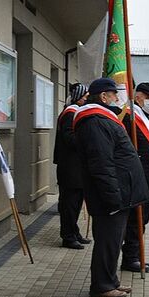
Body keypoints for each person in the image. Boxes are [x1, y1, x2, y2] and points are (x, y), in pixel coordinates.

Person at [73, 77, 149, 297]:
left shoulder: (101, 119)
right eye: (114, 94)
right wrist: (112, 197)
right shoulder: (94, 121)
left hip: (119, 194)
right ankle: (102, 285)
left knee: (114, 240)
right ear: (104, 97)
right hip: (110, 197)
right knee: (107, 241)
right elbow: (101, 164)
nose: (118, 98)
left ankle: (110, 280)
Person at [121, 81, 149, 273]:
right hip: (137, 177)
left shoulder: (147, 117)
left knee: (142, 219)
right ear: (138, 97)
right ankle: (130, 259)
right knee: (134, 220)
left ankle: (138, 256)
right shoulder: (130, 117)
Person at [54, 83, 91, 249]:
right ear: (77, 97)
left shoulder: (73, 111)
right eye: (84, 97)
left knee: (75, 203)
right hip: (70, 168)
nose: (86, 99)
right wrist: (88, 139)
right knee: (69, 204)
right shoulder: (70, 113)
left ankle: (74, 232)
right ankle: (68, 237)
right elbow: (70, 139)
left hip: (75, 167)